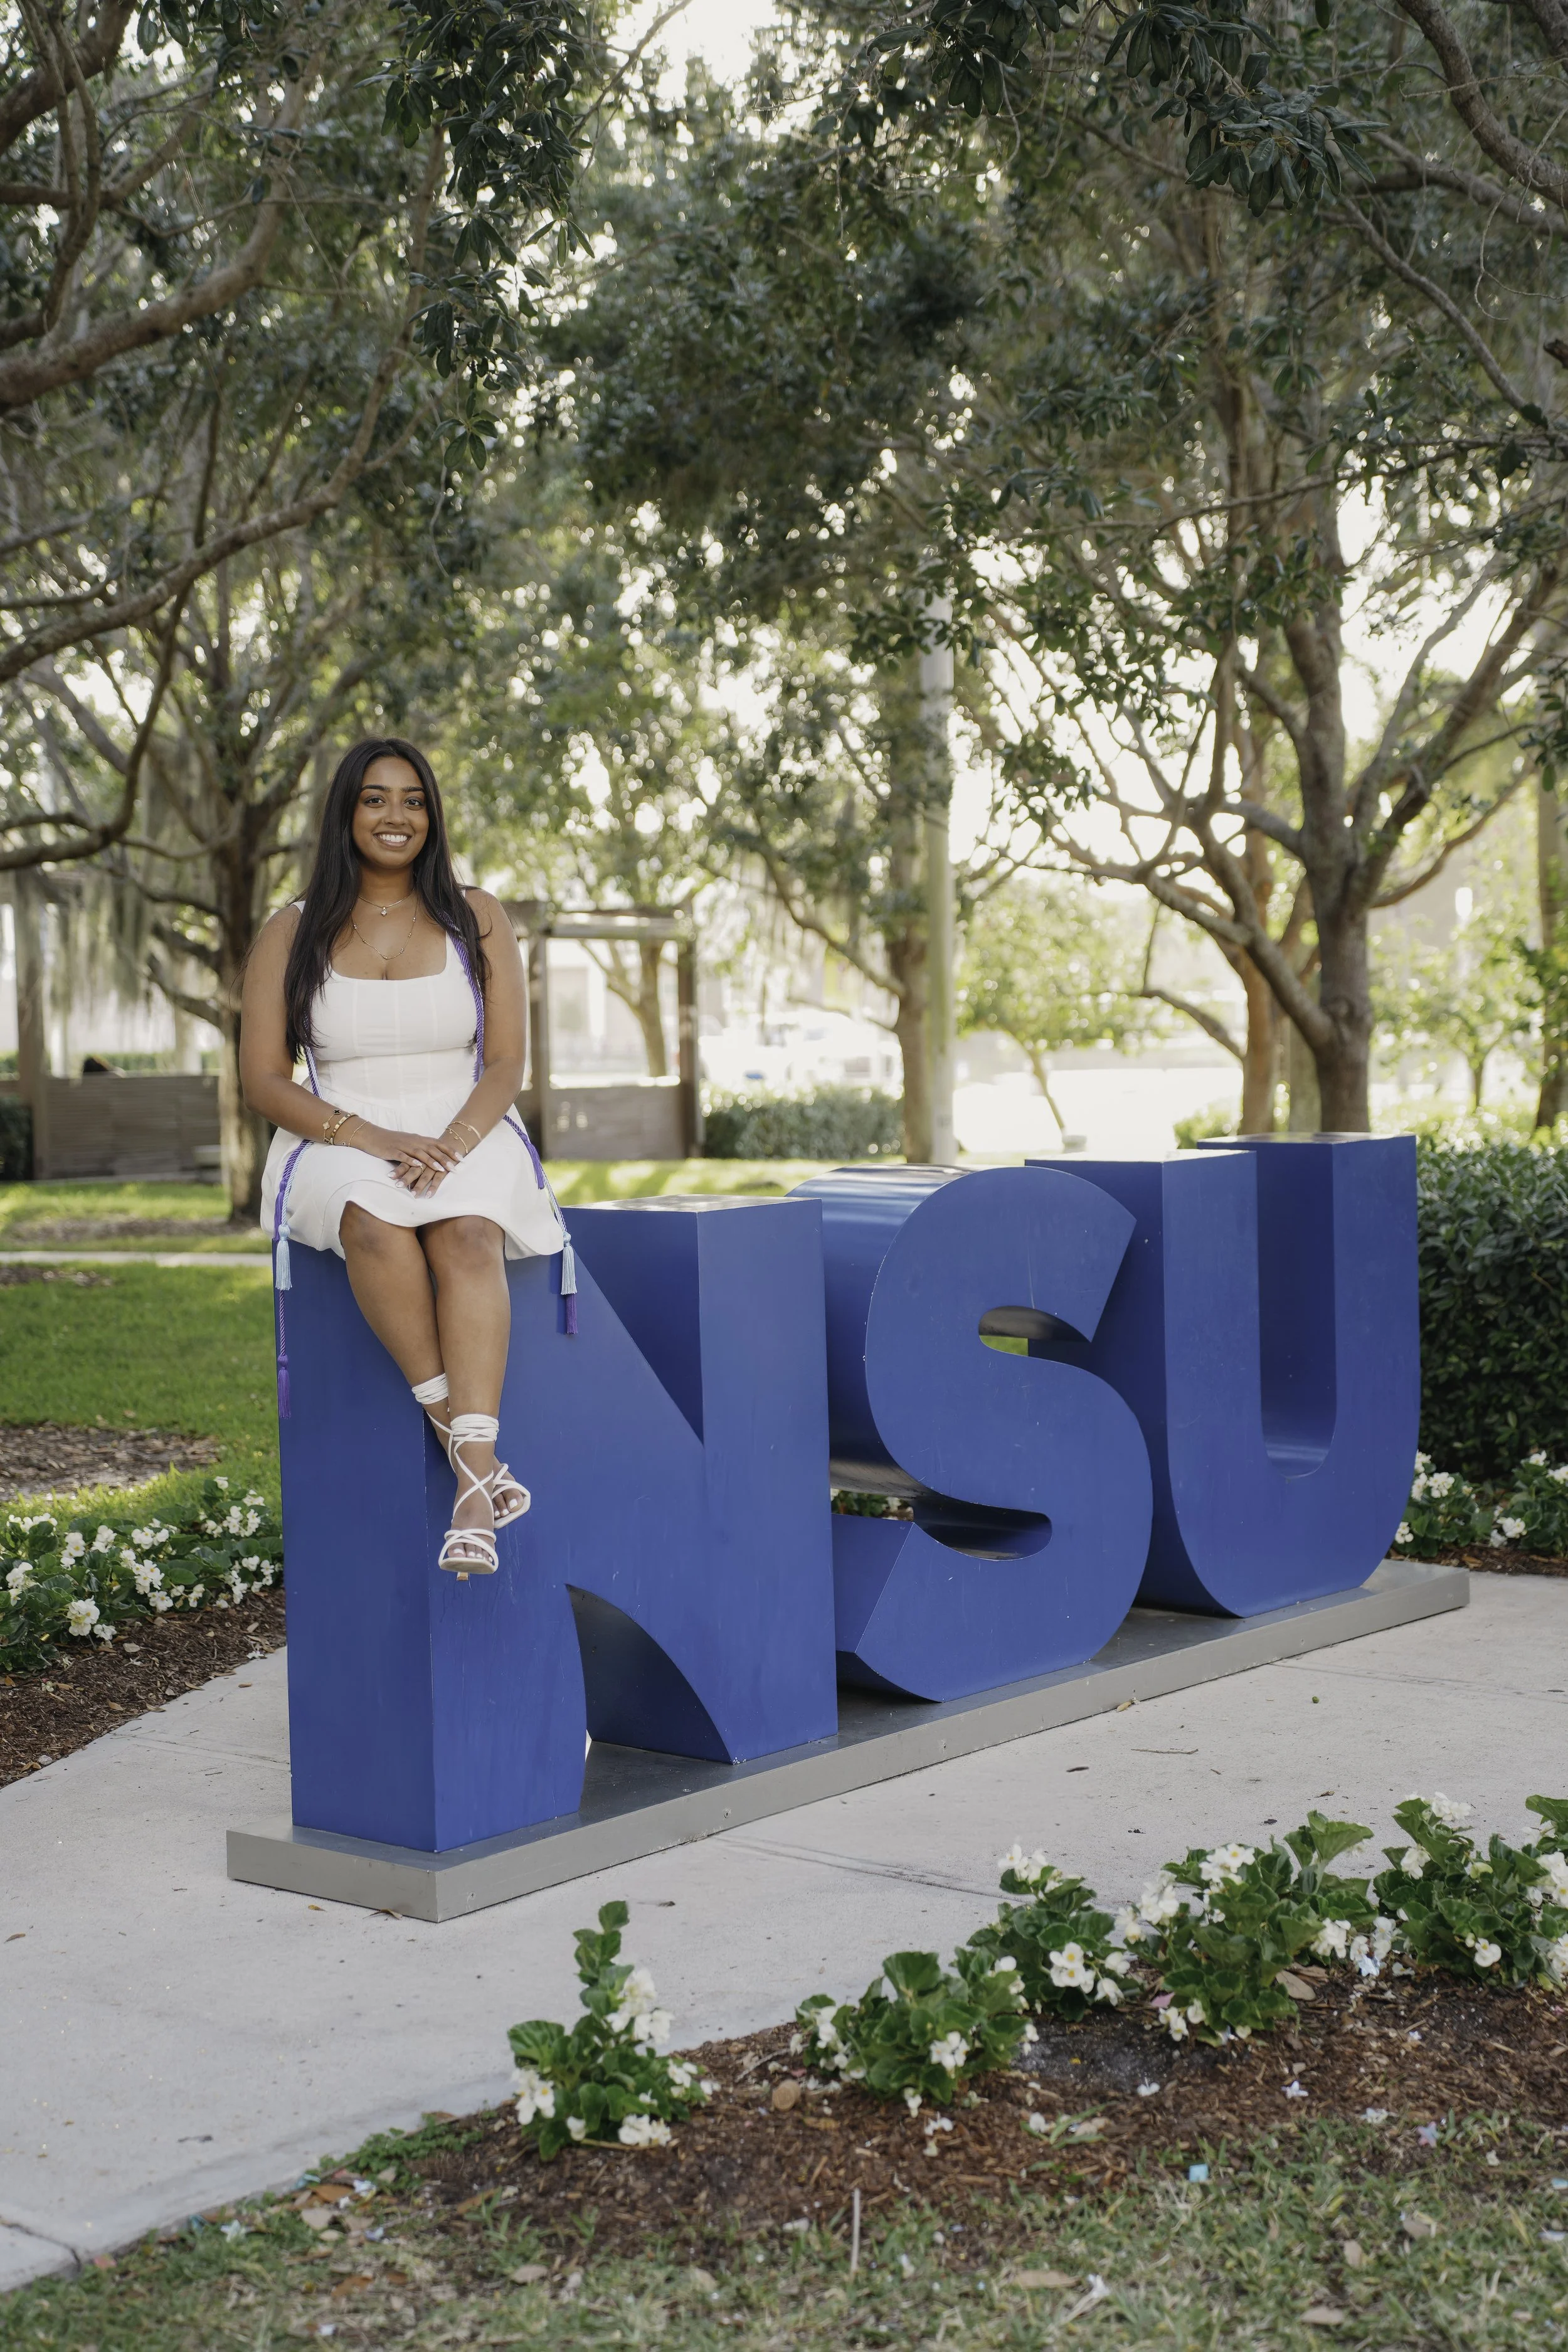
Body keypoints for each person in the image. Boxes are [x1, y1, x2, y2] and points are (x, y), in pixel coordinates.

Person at [240, 737, 565, 1577]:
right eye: (376, 798)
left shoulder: (475, 913)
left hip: (466, 1119)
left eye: (414, 799)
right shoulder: (293, 927)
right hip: (338, 1127)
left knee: (467, 1236)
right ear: (347, 812)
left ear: (433, 815)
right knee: (371, 1222)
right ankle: (475, 1464)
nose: (396, 815)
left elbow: (505, 1065)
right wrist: (370, 1138)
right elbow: (265, 1080)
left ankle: (469, 1479)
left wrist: (452, 1144)